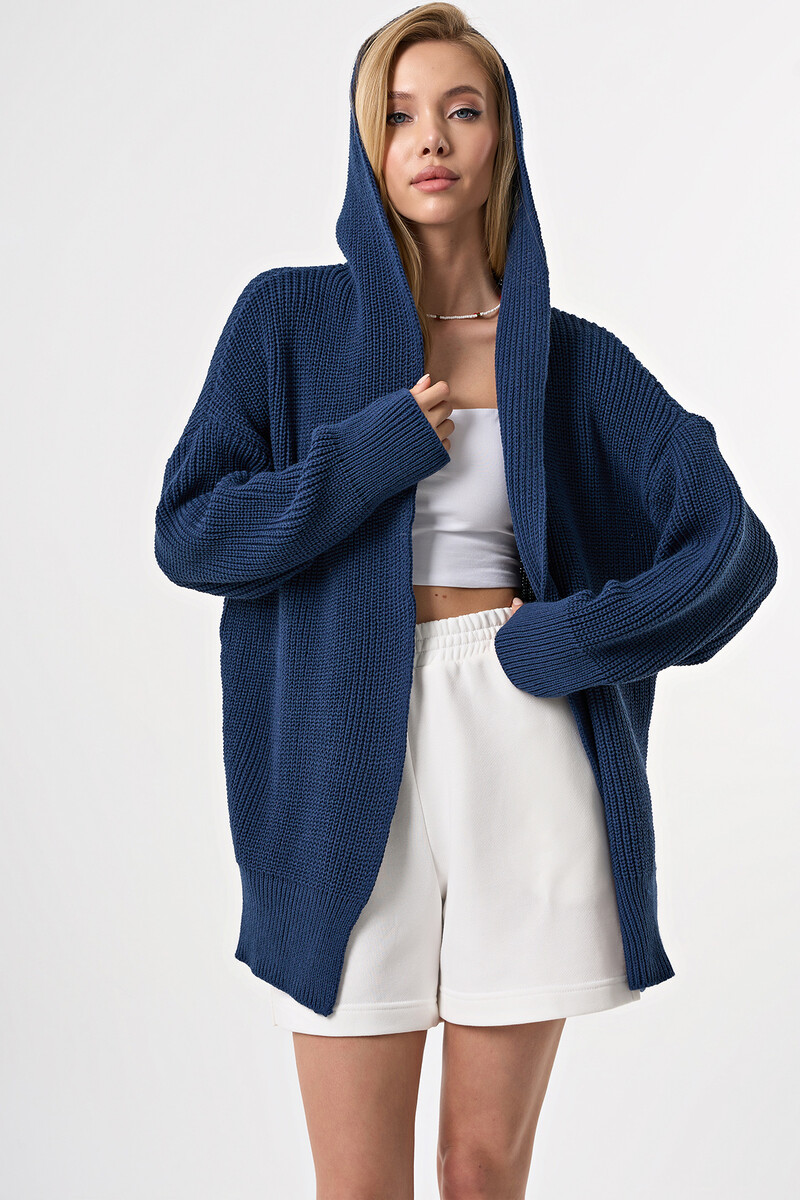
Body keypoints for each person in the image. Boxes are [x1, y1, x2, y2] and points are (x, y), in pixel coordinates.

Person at [153, 4, 778, 1194]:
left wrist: (573, 638)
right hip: (340, 751)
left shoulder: (571, 360)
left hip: (520, 734)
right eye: (397, 115)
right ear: (367, 144)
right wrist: (365, 457)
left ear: (499, 140)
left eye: (460, 109)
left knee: (479, 1169)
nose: (429, 139)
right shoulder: (284, 321)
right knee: (357, 1182)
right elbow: (192, 532)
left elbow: (730, 551)